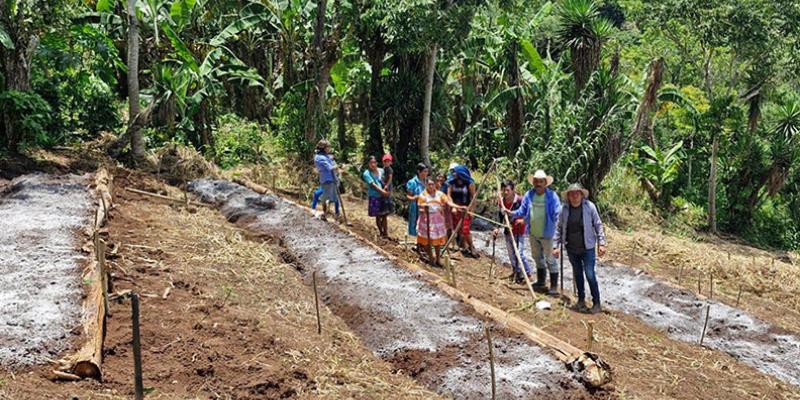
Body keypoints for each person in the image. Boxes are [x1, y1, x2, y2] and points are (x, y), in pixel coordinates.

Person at [553, 183, 607, 314]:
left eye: (577, 193)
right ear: (568, 196)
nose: (575, 196)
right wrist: (555, 246)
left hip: (587, 248)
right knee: (577, 274)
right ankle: (581, 300)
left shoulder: (590, 207)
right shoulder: (564, 209)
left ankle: (596, 302)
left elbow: (598, 225)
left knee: (590, 274)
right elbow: (559, 228)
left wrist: (602, 243)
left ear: (582, 195)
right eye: (572, 193)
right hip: (572, 248)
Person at [508, 170, 561, 296]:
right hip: (533, 232)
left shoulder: (552, 196)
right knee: (537, 257)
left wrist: (559, 237)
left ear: (545, 183)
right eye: (536, 181)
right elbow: (522, 211)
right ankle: (541, 282)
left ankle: (554, 287)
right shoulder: (529, 195)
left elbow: (558, 215)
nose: (538, 184)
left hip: (548, 234)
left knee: (550, 259)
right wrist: (510, 213)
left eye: (541, 181)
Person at [415, 177, 466, 267]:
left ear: (435, 185)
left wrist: (459, 207)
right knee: (426, 240)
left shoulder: (440, 194)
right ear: (426, 185)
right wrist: (425, 209)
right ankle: (431, 258)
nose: (431, 186)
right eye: (429, 184)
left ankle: (438, 259)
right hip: (426, 220)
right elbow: (420, 208)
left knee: (437, 241)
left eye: (432, 184)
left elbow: (448, 203)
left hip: (437, 220)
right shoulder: (423, 195)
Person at [492, 180, 531, 284]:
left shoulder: (520, 200)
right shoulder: (501, 202)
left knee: (519, 253)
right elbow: (499, 216)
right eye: (504, 190)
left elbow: (528, 213)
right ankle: (516, 272)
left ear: (513, 190)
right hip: (508, 230)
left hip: (519, 230)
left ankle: (528, 274)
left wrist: (522, 220)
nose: (505, 192)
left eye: (508, 190)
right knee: (511, 253)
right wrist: (496, 227)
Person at [448, 165, 479, 258]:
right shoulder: (451, 182)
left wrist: (471, 211)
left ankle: (472, 247)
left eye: (455, 172)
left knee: (465, 229)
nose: (453, 174)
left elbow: (473, 198)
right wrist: (453, 207)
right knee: (457, 228)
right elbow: (449, 196)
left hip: (466, 209)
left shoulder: (469, 183)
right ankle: (462, 246)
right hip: (455, 208)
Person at [362, 156, 391, 238]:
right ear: (368, 164)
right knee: (378, 216)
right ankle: (381, 232)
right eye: (371, 163)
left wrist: (387, 188)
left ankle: (385, 233)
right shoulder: (366, 173)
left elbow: (387, 179)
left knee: (384, 215)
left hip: (383, 196)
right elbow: (373, 185)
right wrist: (383, 192)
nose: (373, 164)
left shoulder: (381, 171)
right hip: (375, 196)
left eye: (374, 162)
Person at [313, 139, 339, 221]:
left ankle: (331, 214)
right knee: (327, 198)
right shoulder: (321, 158)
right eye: (328, 147)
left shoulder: (323, 156)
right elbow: (330, 168)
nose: (329, 148)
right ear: (323, 148)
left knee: (331, 198)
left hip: (330, 179)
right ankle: (324, 214)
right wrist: (337, 166)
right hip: (328, 180)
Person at [405, 163, 429, 241]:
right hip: (415, 206)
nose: (426, 173)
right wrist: (415, 197)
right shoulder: (412, 182)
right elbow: (408, 196)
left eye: (427, 172)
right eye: (424, 171)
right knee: (415, 224)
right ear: (419, 171)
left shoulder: (427, 182)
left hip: (425, 206)